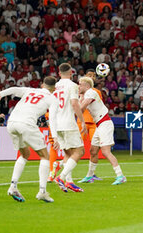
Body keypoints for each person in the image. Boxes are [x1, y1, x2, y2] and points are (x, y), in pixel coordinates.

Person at [0, 76, 59, 203]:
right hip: (26, 124)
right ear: (54, 89)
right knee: (44, 156)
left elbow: (14, 89)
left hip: (12, 122)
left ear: (42, 85)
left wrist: (0, 94)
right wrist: (55, 137)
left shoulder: (30, 90)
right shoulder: (52, 99)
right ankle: (42, 191)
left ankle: (13, 187)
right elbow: (52, 118)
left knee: (25, 154)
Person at [78, 77, 126, 185]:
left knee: (105, 151)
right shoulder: (86, 94)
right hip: (99, 125)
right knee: (93, 151)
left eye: (80, 84)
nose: (78, 86)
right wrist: (80, 96)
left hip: (105, 124)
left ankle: (120, 175)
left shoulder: (91, 92)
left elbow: (81, 108)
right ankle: (89, 176)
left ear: (87, 86)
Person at [53, 63, 87, 193]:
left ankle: (69, 182)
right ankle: (61, 178)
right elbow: (74, 103)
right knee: (79, 151)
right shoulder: (73, 86)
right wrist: (82, 121)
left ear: (59, 72)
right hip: (68, 123)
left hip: (57, 124)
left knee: (68, 154)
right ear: (71, 72)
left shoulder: (55, 86)